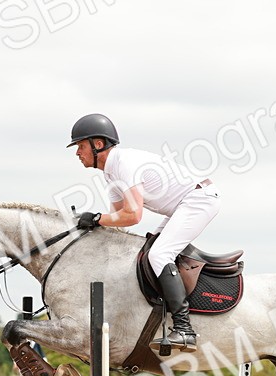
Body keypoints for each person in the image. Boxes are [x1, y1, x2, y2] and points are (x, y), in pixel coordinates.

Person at [67, 113, 220, 353]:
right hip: (182, 205)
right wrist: (90, 225)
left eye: (80, 145)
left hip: (198, 200)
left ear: (98, 144)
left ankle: (185, 329)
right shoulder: (111, 174)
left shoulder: (124, 164)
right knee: (148, 251)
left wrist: (96, 218)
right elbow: (118, 220)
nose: (77, 152)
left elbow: (133, 215)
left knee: (158, 255)